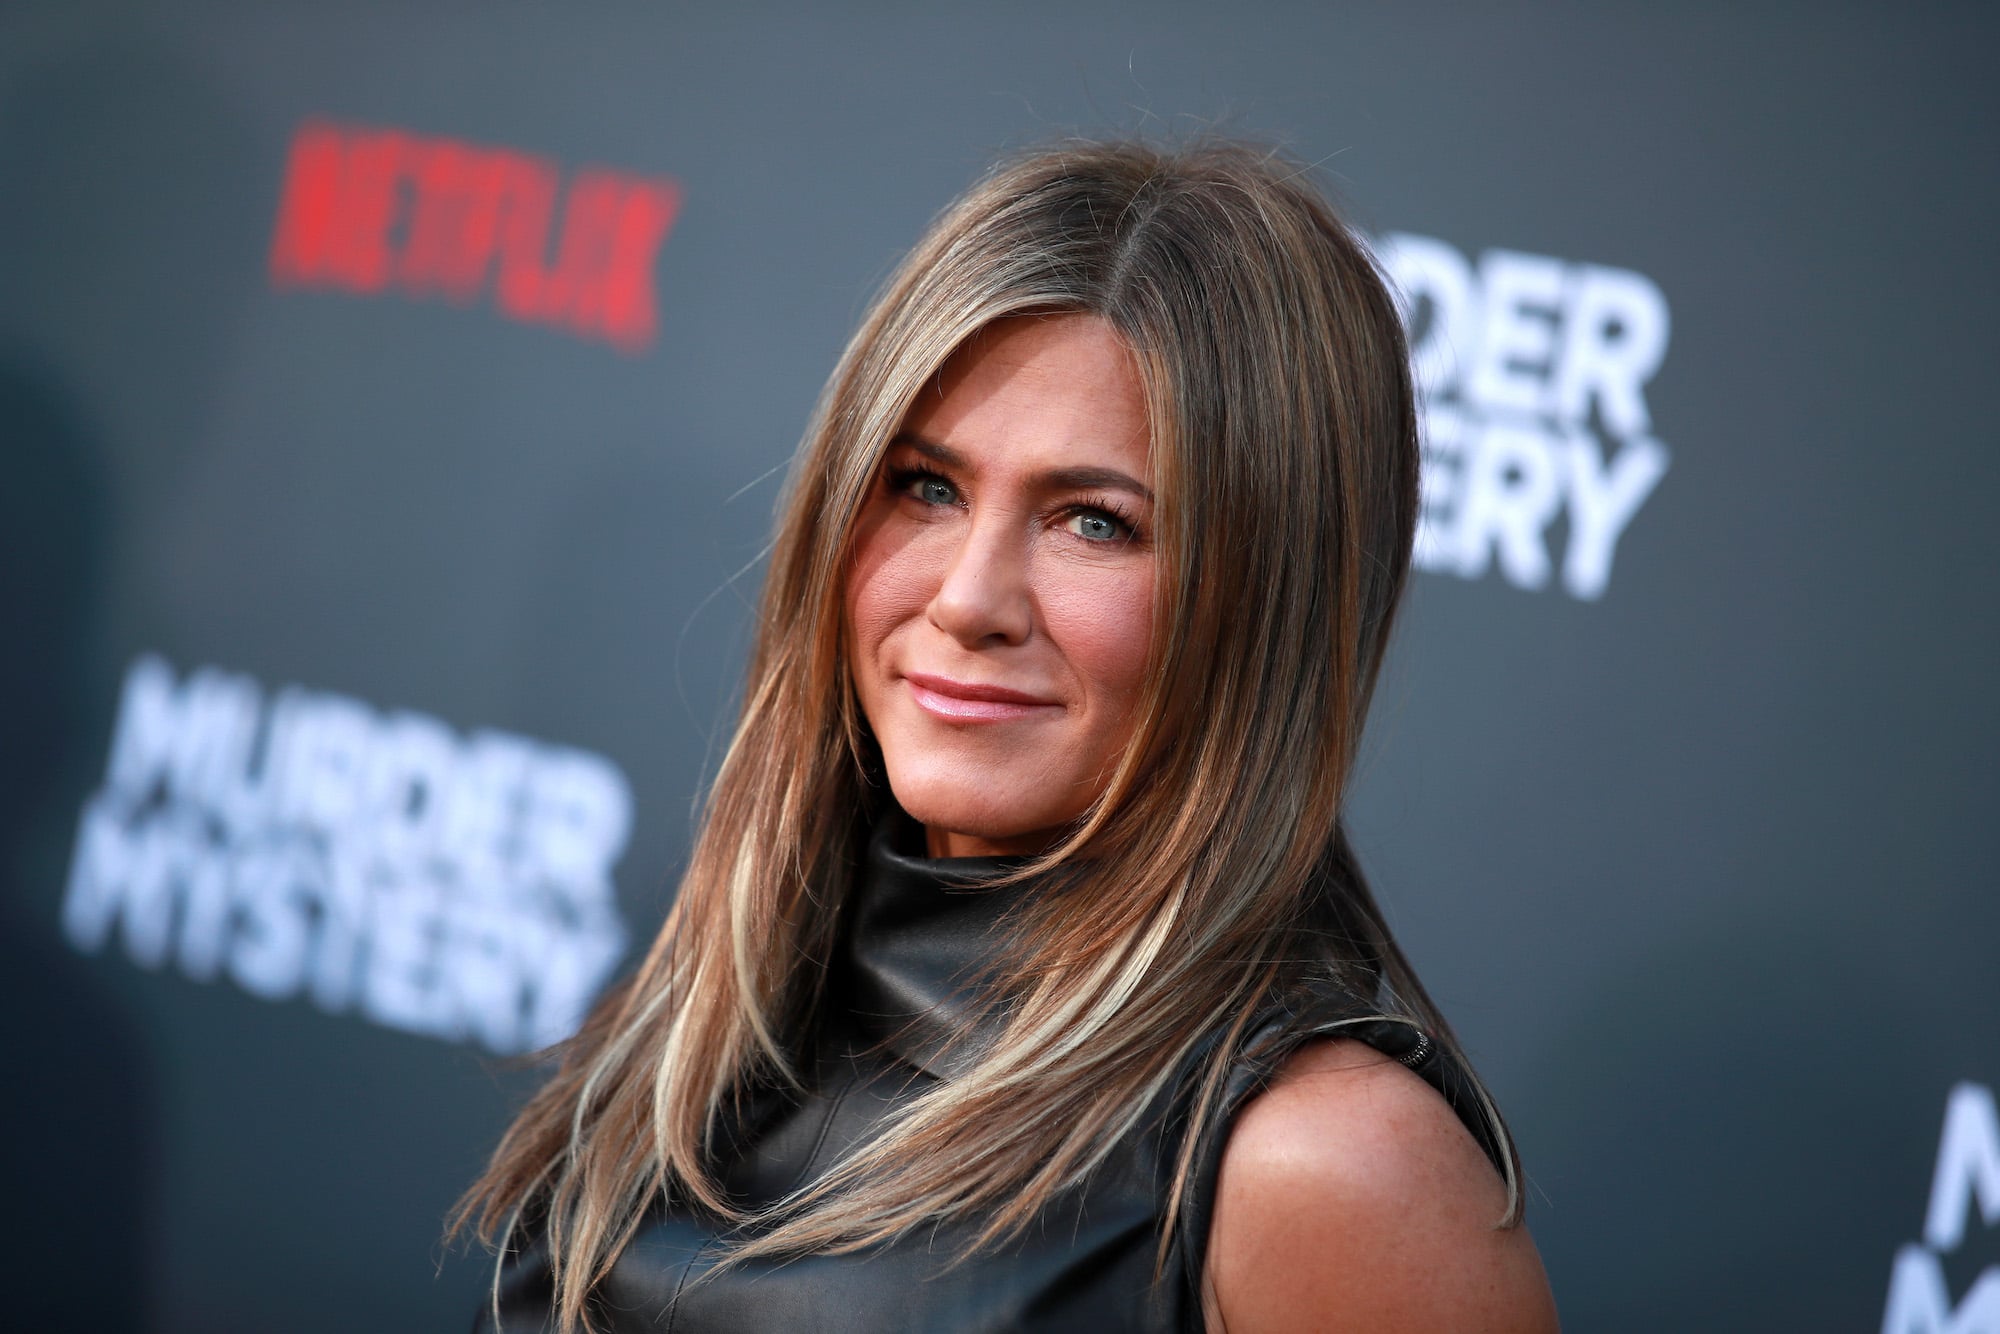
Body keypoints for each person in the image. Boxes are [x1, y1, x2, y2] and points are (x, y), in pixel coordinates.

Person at [456, 136, 1560, 1333]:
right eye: (926, 486)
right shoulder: (727, 992)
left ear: (1268, 605)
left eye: (1094, 521)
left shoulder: (1317, 1162)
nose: (967, 599)